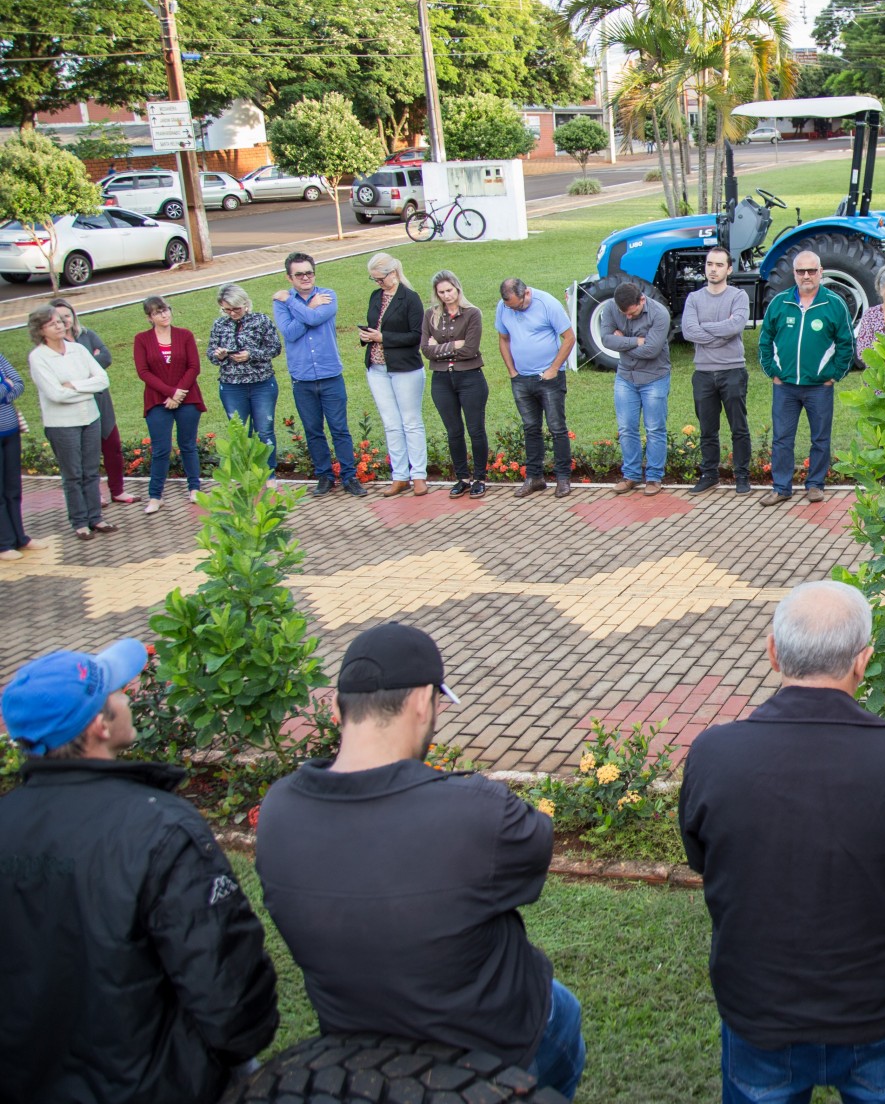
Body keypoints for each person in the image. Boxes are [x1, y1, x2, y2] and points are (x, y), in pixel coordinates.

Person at [254, 623, 585, 1099]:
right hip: (488, 1051)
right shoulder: (479, 811)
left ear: (335, 708)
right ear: (421, 702)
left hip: (353, 1043)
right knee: (564, 1012)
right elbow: (536, 846)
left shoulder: (279, 810)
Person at [679, 581, 885, 1104]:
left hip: (759, 1011)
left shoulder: (713, 753)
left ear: (772, 652)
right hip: (880, 1010)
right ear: (864, 661)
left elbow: (701, 858)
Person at [0, 637, 279, 1103]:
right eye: (116, 692)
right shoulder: (162, 828)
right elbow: (230, 1001)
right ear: (99, 726)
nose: (127, 696)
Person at [758, 249, 854, 506]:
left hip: (819, 388)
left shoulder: (834, 304)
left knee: (820, 438)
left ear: (821, 272)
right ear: (794, 274)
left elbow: (846, 345)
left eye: (812, 270)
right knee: (781, 438)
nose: (807, 275)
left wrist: (832, 375)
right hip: (785, 387)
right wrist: (773, 372)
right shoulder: (780, 303)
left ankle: (815, 485)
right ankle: (781, 487)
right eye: (801, 271)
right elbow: (765, 340)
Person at [274, 252, 367, 497]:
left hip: (330, 374)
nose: (305, 278)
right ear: (289, 277)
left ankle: (349, 476)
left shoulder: (327, 295)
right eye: (299, 274)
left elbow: (316, 318)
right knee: (313, 429)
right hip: (302, 377)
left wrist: (302, 306)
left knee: (339, 428)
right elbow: (290, 333)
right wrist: (307, 308)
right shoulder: (280, 302)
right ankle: (324, 476)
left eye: (309, 273)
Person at [26, 305, 115, 540]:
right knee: (73, 474)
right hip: (62, 424)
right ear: (40, 330)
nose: (59, 325)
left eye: (60, 321)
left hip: (90, 417)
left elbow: (102, 380)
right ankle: (79, 521)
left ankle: (95, 517)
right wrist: (87, 387)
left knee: (91, 470)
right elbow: (56, 394)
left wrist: (75, 385)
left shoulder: (77, 349)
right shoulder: (39, 357)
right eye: (52, 323)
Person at [49, 297, 136, 507]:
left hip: (101, 401)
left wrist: (81, 372)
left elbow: (105, 357)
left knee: (112, 447)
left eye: (67, 315)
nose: (64, 321)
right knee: (87, 453)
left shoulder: (87, 335)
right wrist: (89, 368)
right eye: (59, 318)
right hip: (78, 406)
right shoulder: (54, 347)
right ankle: (93, 494)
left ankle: (118, 490)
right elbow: (64, 377)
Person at [496, 277, 576, 498]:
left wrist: (553, 369)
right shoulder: (504, 307)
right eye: (511, 307)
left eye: (518, 305)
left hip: (549, 378)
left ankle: (562, 479)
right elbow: (503, 338)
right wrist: (512, 371)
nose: (515, 310)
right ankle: (534, 478)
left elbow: (569, 338)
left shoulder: (547, 303)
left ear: (527, 293)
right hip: (521, 379)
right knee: (530, 428)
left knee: (557, 428)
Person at [682, 248, 752, 496]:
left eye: (719, 265)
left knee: (738, 427)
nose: (713, 269)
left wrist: (705, 330)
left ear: (729, 269)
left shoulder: (738, 296)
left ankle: (742, 476)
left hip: (732, 370)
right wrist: (719, 332)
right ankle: (709, 475)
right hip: (703, 373)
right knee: (707, 429)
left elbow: (736, 326)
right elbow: (689, 331)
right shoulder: (694, 299)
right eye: (710, 264)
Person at [358, 252, 428, 497]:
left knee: (411, 422)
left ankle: (419, 474)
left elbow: (415, 336)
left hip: (405, 368)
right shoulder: (375, 297)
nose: (378, 283)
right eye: (374, 279)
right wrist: (366, 336)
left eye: (380, 278)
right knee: (391, 423)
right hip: (377, 368)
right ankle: (400, 476)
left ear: (393, 273)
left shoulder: (410, 298)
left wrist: (383, 338)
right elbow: (375, 325)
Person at [132, 295, 207, 512]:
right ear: (149, 317)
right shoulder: (142, 339)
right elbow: (143, 371)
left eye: (165, 310)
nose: (164, 315)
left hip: (188, 398)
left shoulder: (185, 335)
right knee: (161, 449)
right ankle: (155, 495)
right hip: (158, 400)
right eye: (157, 312)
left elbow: (194, 367)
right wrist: (171, 393)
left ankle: (194, 488)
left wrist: (179, 394)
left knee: (188, 445)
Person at [423, 269, 489, 498]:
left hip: (470, 377)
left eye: (449, 290)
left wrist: (439, 347)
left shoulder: (472, 314)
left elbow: (470, 349)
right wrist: (454, 346)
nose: (446, 296)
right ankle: (462, 477)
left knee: (475, 429)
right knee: (453, 431)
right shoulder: (430, 315)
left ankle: (479, 477)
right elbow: (426, 350)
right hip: (441, 379)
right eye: (441, 292)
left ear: (457, 288)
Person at [604, 281, 672, 496]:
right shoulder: (610, 308)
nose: (628, 318)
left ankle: (654, 478)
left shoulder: (660, 314)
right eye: (624, 315)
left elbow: (652, 350)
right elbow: (606, 340)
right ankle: (631, 475)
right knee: (626, 428)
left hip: (655, 377)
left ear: (642, 299)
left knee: (654, 429)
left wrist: (623, 344)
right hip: (625, 377)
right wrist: (636, 341)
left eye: (632, 313)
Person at [208, 283, 283, 473]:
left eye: (236, 309)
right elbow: (210, 354)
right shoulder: (219, 324)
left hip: (261, 384)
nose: (232, 313)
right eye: (227, 310)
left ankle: (268, 473)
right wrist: (219, 355)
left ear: (246, 304)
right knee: (239, 432)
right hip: (232, 385)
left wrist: (251, 354)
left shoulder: (261, 321)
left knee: (264, 430)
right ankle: (245, 473)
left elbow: (275, 348)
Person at [0, 349, 41, 560]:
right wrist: (5, 387)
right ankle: (4, 543)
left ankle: (20, 537)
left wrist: (6, 389)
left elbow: (19, 383)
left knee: (13, 488)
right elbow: (10, 384)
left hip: (10, 431)